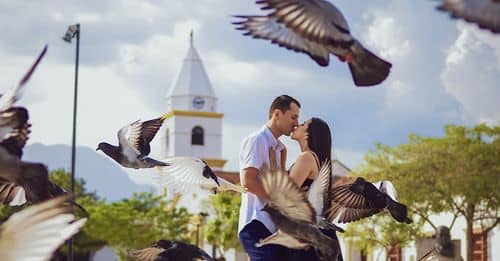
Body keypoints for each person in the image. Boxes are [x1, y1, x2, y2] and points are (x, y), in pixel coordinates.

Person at [238, 95, 300, 261]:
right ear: (277, 114)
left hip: (274, 228)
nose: (296, 123)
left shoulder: (281, 149)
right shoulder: (257, 140)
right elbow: (248, 182)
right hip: (256, 223)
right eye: (293, 117)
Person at [287, 117, 344, 261]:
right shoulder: (317, 159)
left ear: (308, 134)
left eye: (302, 124)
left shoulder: (306, 158)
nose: (296, 125)